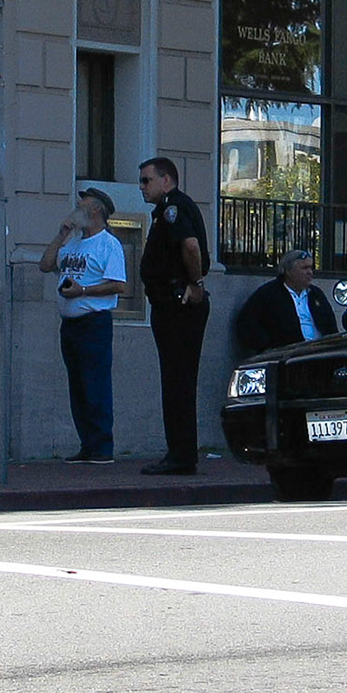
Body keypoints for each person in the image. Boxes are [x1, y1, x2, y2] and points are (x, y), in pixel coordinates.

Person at [39, 186, 132, 463]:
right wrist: (61, 234)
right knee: (77, 386)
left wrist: (83, 291)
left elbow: (119, 285)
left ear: (96, 210)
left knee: (95, 385)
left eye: (84, 204)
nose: (77, 206)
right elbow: (45, 265)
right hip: (70, 324)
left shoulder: (108, 244)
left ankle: (102, 446)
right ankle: (87, 444)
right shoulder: (73, 243)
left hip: (94, 322)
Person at [137, 156, 210, 476]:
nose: (141, 187)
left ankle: (181, 455)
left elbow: (191, 246)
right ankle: (180, 451)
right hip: (170, 302)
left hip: (177, 303)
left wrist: (194, 283)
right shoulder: (166, 209)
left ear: (166, 180)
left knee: (178, 381)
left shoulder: (173, 208)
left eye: (146, 180)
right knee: (177, 380)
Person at [235, 249, 337, 354]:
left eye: (311, 268)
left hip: (320, 353)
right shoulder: (269, 294)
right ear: (288, 271)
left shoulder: (316, 294)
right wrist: (268, 346)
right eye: (304, 268)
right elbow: (246, 323)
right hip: (288, 355)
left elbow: (331, 326)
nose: (310, 272)